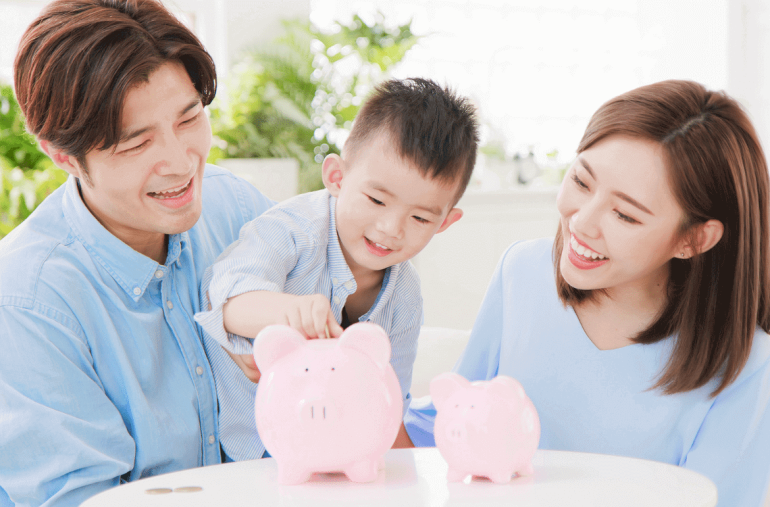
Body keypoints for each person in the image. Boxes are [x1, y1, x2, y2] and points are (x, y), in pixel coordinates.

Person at [404, 80, 770, 506]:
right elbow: (450, 421)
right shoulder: (522, 273)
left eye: (625, 215)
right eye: (581, 181)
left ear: (694, 239)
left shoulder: (746, 366)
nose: (582, 222)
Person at [0, 1, 274, 505]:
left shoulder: (237, 209)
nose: (179, 162)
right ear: (63, 156)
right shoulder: (25, 304)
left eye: (189, 118)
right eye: (136, 143)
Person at [194, 78, 479, 461]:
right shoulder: (292, 231)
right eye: (377, 200)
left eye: (420, 218)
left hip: (336, 458)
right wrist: (285, 313)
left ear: (445, 222)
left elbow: (388, 405)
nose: (390, 229)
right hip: (246, 454)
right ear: (336, 178)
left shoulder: (405, 293)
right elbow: (227, 301)